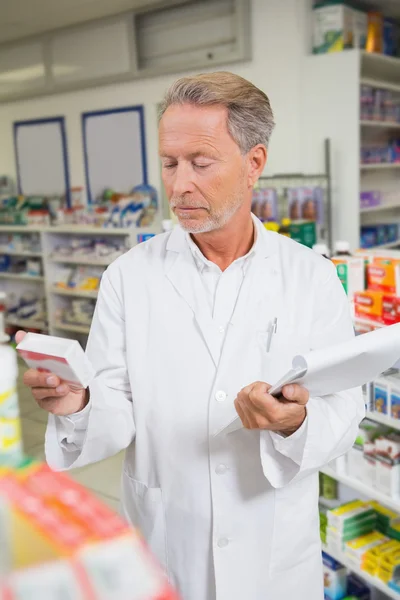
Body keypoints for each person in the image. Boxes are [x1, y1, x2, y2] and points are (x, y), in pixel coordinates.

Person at [19, 72, 364, 600]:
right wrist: (79, 401)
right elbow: (115, 406)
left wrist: (296, 423)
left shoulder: (310, 276)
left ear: (254, 164)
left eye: (200, 163)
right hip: (166, 542)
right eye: (169, 163)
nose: (179, 185)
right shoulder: (128, 277)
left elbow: (344, 405)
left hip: (272, 556)